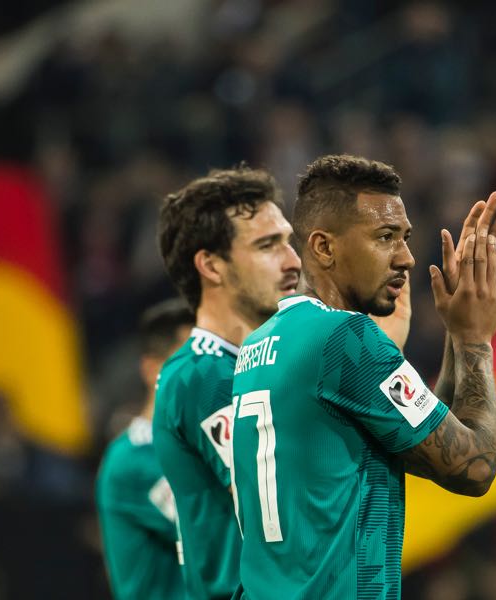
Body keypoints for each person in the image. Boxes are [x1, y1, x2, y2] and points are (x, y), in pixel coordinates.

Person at [230, 154, 496, 599]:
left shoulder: (260, 343)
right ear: (324, 247)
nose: (406, 258)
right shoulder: (345, 336)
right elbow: (473, 466)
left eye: (405, 238)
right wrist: (476, 340)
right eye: (385, 237)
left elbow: (420, 443)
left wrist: (455, 334)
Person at [153, 165, 411, 599]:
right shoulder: (203, 376)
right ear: (211, 265)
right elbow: (295, 504)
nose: (293, 261)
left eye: (289, 241)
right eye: (267, 245)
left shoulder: (256, 364)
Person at [96, 298, 194, 600]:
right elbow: (216, 524)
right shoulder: (131, 460)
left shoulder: (194, 441)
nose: (207, 372)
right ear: (153, 370)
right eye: (189, 360)